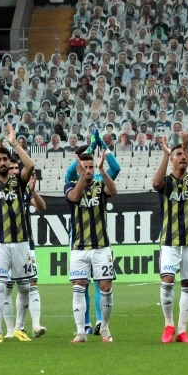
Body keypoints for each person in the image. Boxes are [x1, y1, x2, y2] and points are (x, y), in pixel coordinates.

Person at [151, 131, 188, 343]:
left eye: (183, 154)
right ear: (172, 160)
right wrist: (166, 155)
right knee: (167, 281)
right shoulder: (166, 181)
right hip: (169, 240)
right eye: (179, 154)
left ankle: (182, 331)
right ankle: (169, 325)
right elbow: (155, 184)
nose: (182, 157)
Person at [0, 124, 36, 343]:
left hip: (21, 242)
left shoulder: (18, 182)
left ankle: (19, 328)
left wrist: (14, 143)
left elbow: (30, 165)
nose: (3, 163)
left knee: (24, 287)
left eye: (5, 159)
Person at [65, 127, 120, 335]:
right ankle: (85, 324)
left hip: (99, 243)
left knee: (101, 285)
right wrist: (91, 147)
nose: (87, 169)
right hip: (78, 241)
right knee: (82, 286)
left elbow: (116, 169)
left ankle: (100, 323)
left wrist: (102, 147)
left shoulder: (100, 181)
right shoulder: (71, 180)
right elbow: (72, 177)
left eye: (90, 166)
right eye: (83, 165)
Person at [1, 158, 48, 339]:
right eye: (11, 168)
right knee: (7, 287)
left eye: (16, 168)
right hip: (5, 245)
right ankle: (9, 330)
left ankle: (34, 324)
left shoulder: (25, 190)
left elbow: (42, 208)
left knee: (31, 285)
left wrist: (33, 191)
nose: (14, 171)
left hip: (26, 244)